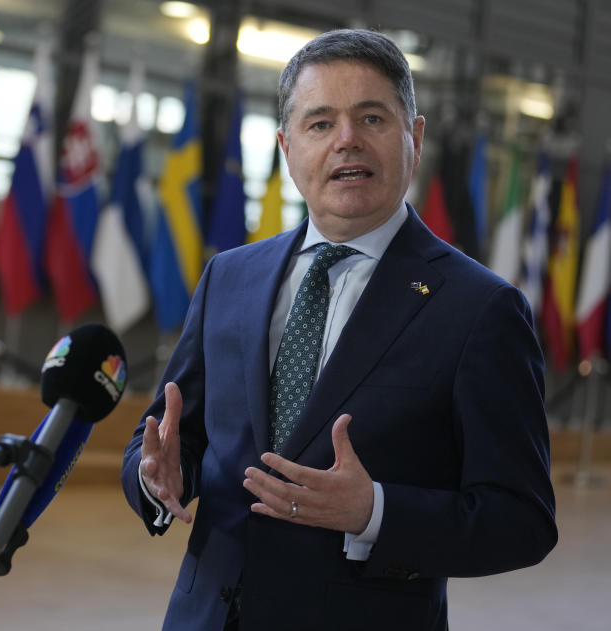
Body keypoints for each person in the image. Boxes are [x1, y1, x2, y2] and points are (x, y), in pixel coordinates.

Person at [121, 28, 557, 631]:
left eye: (372, 117)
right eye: (320, 123)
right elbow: (174, 438)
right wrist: (154, 477)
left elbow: (522, 520)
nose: (346, 140)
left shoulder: (480, 308)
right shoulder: (229, 277)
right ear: (286, 146)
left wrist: (374, 512)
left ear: (415, 137)